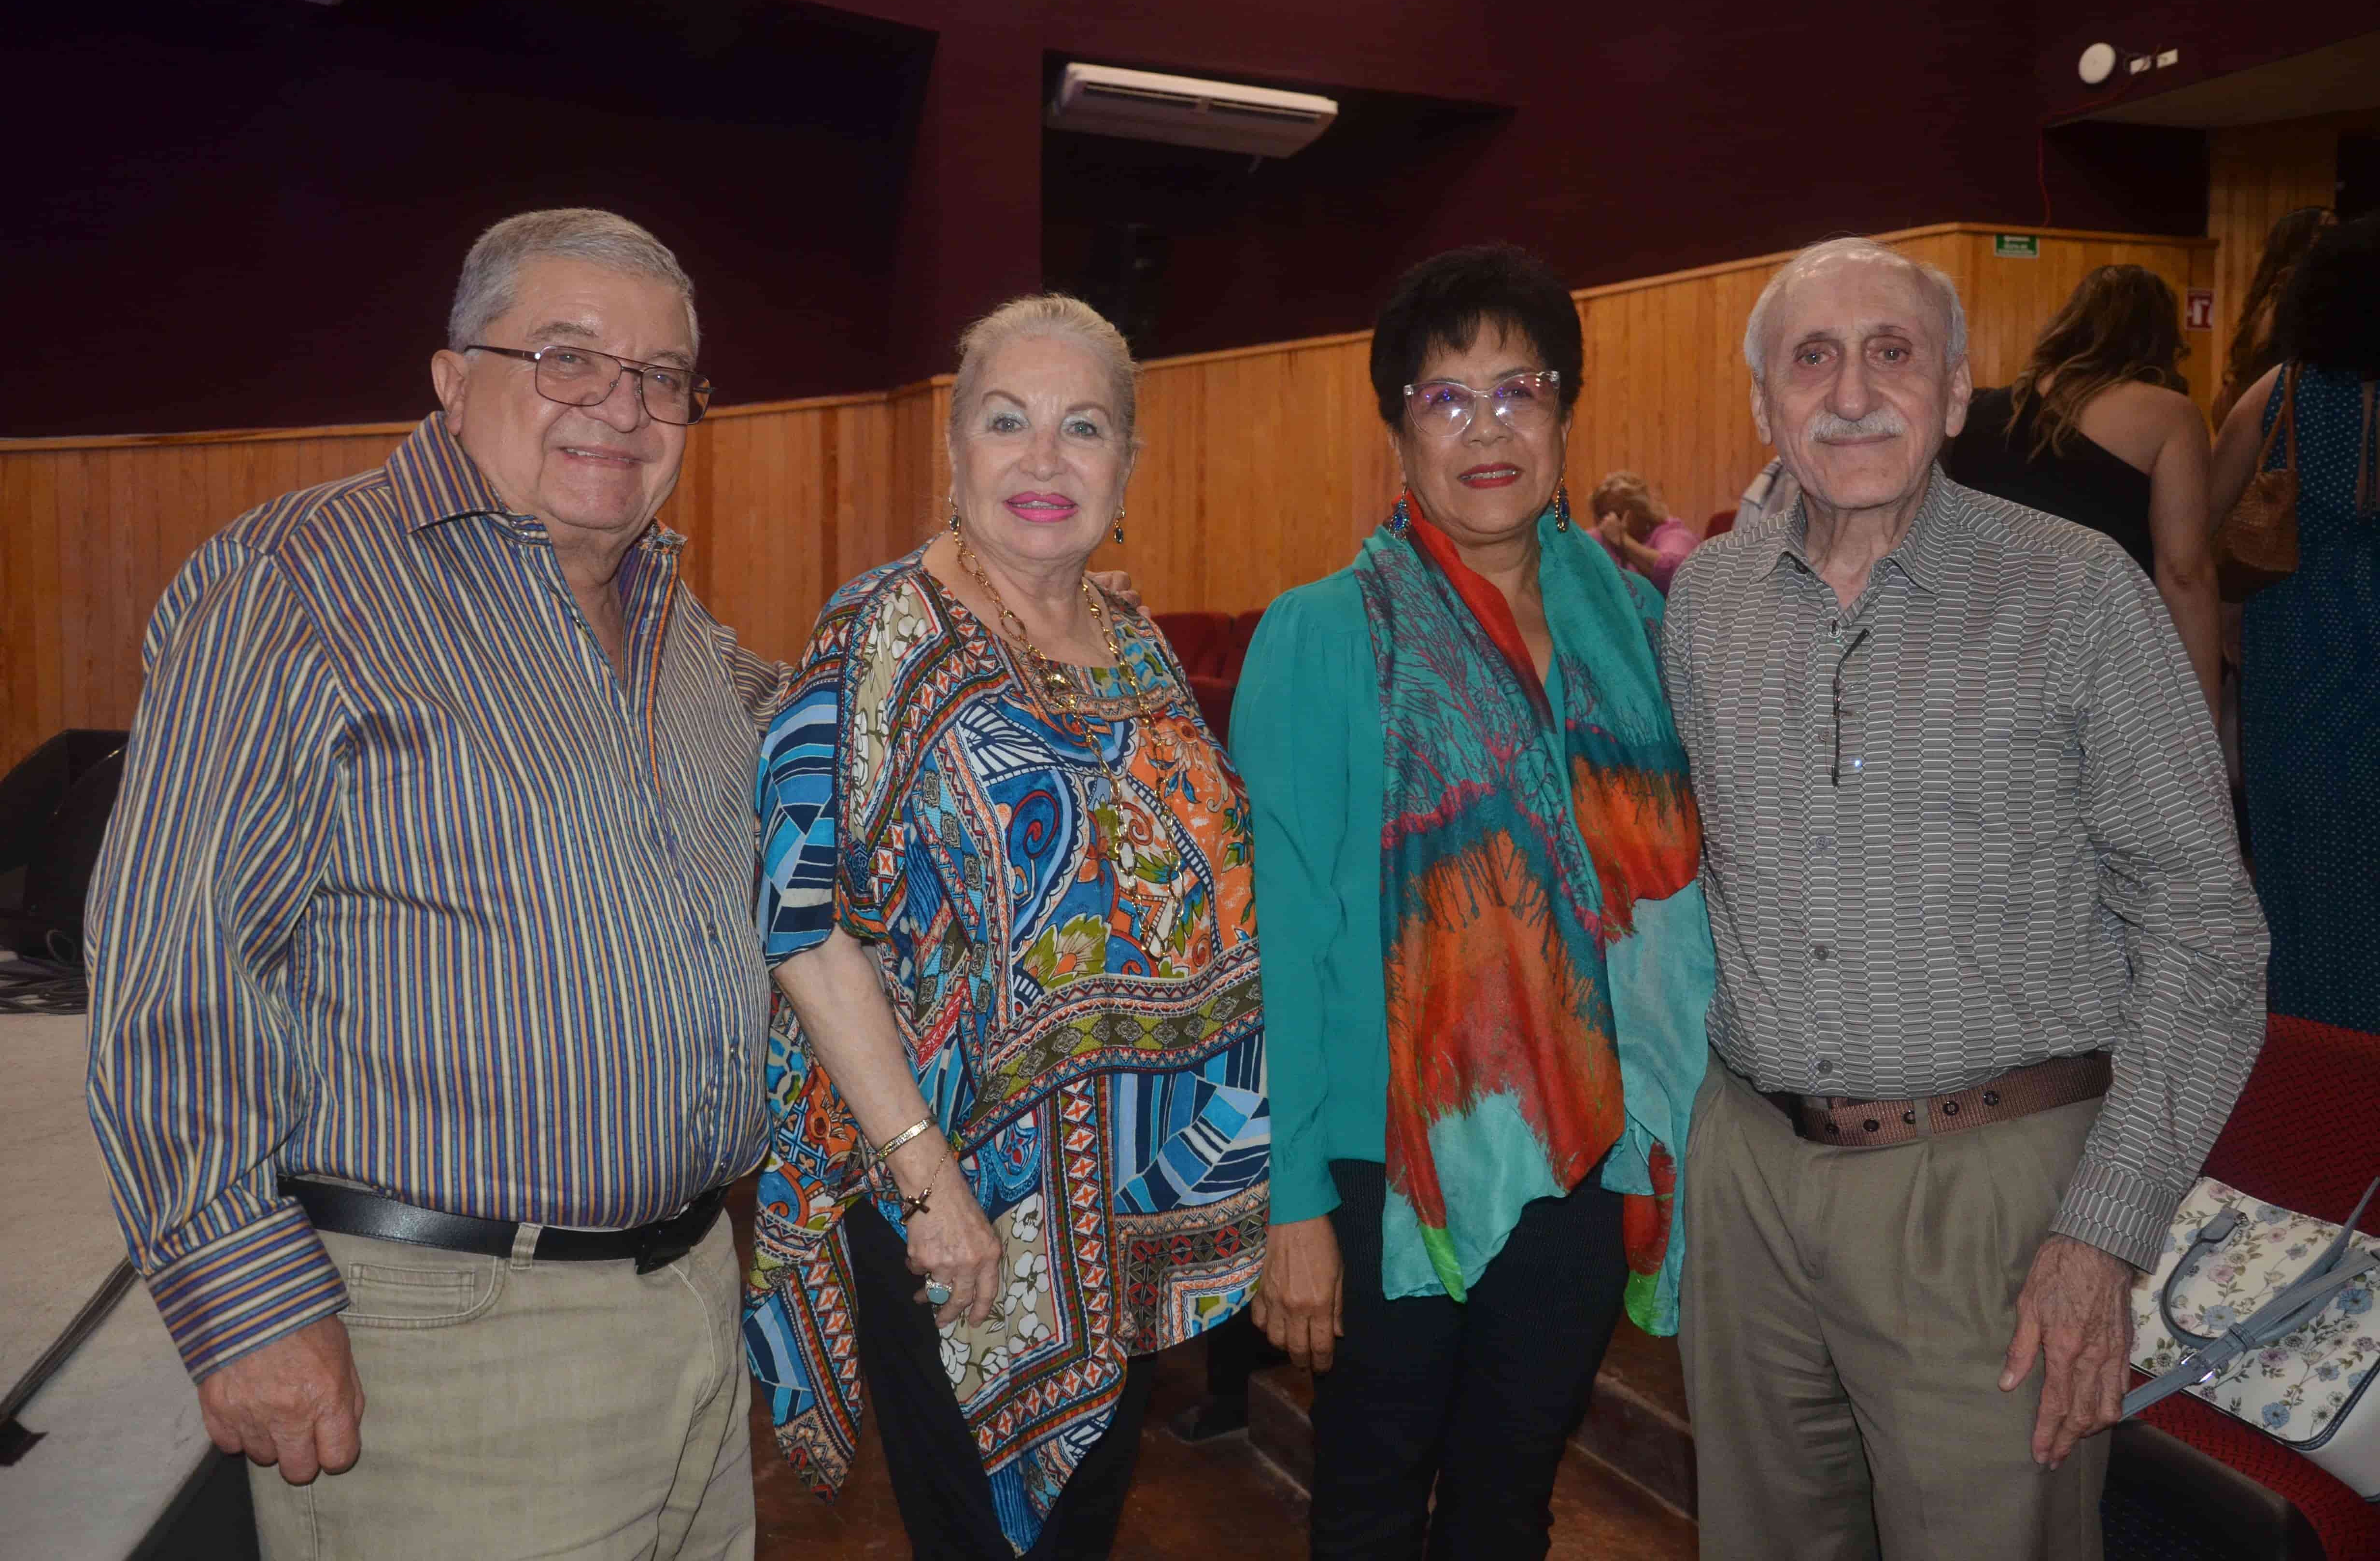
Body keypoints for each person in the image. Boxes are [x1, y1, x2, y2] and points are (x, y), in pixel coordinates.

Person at [84, 209, 788, 1559]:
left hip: (696, 1301)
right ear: (454, 376)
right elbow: (176, 963)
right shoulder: (298, 582)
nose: (620, 407)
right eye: (568, 358)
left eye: (660, 377)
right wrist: (247, 1302)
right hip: (442, 1344)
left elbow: (837, 788)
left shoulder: (687, 638)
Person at [1664, 237, 2267, 1561]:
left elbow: (2208, 937)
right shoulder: (1705, 604)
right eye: (1810, 359)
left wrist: (2105, 1233)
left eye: (1894, 352)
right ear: (1765, 404)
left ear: (1955, 395)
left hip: (1992, 1198)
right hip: (1751, 1177)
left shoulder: (2077, 592)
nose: (1852, 391)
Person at [741, 294, 1267, 1559]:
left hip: (1117, 1213)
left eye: (1083, 429)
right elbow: (799, 922)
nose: (1043, 460)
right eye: (1007, 421)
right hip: (955, 1202)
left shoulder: (1131, 644)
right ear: (956, 454)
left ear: (1127, 468)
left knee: (1081, 1529)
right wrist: (929, 1182)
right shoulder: (877, 633)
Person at [1236, 244, 1714, 1560]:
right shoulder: (1321, 631)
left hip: (1587, 1138)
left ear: (1565, 414)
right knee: (1374, 1503)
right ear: (1400, 427)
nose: (1488, 428)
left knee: (1511, 1502)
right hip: (1386, 1156)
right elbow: (1278, 935)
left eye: (1520, 390)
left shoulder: (1633, 618)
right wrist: (1290, 1210)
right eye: (1446, 398)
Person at [2211, 210, 2380, 1035]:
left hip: (2296, 648)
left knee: (2296, 858)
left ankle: (2306, 1041)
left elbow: (2202, 523)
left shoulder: (2277, 392)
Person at [1944, 265, 2220, 712]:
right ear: (2161, 337)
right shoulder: (2169, 416)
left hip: (1984, 654)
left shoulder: (1980, 412)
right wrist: (2201, 710)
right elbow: (2185, 573)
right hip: (2107, 657)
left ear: (2069, 323)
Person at [2214, 206, 2335, 426]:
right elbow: (2265, 371)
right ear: (2299, 244)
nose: (2336, 240)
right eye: (2324, 232)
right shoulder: (2280, 299)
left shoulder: (2284, 297)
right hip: (2277, 419)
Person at [1589, 468, 1703, 594]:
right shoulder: (1602, 534)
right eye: (1601, 516)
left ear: (1635, 513)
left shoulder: (1675, 534)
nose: (1607, 523)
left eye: (1615, 515)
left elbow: (1678, 574)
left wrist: (1625, 541)